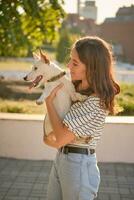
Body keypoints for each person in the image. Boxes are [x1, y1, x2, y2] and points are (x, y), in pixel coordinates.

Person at [43, 36, 120, 200]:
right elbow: (56, 138)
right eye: (70, 60)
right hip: (63, 159)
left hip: (78, 165)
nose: (68, 66)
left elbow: (60, 138)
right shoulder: (77, 94)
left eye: (75, 63)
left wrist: (49, 102)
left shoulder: (95, 102)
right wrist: (53, 140)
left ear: (92, 68)